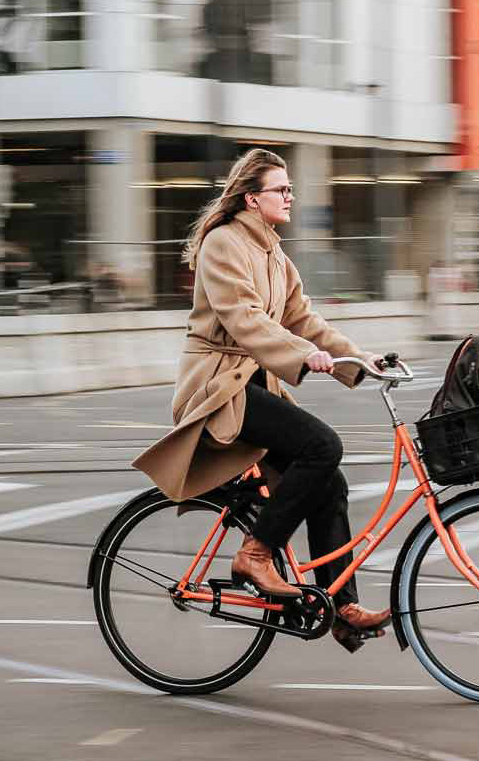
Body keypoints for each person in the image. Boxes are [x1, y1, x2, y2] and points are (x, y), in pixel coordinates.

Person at [131, 148, 391, 651]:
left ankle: (341, 606)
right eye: (281, 189)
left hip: (252, 384)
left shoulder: (275, 254)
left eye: (291, 188)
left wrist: (361, 360)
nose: (290, 196)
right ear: (252, 198)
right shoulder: (223, 244)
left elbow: (305, 321)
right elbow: (245, 321)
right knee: (322, 446)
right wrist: (303, 355)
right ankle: (256, 554)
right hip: (219, 385)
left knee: (329, 482)